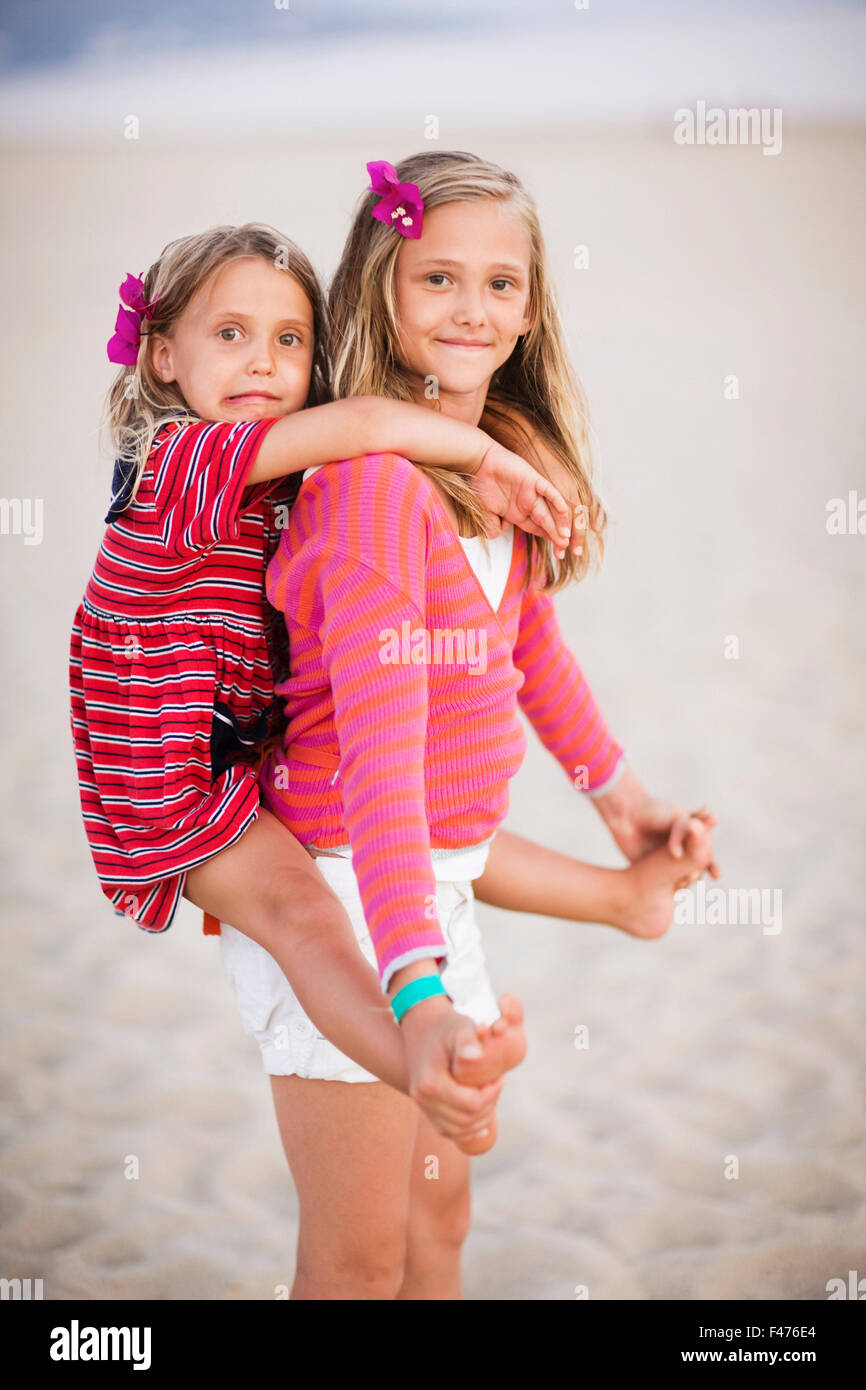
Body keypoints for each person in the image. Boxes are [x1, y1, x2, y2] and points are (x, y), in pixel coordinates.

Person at [239, 154, 717, 1299]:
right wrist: (416, 988)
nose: (470, 308)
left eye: (501, 284)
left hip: (433, 879)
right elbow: (380, 779)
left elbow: (530, 650)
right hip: (360, 896)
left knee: (438, 1221)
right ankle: (582, 919)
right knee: (357, 1260)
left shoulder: (495, 460)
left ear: (532, 308)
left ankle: (621, 896)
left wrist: (625, 803)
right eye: (436, 278)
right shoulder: (367, 494)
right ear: (379, 294)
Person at [68, 221, 578, 1157]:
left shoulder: (276, 474)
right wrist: (485, 458)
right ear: (161, 354)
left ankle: (608, 906)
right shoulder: (177, 461)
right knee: (308, 915)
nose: (263, 361)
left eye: (290, 339)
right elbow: (369, 422)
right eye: (231, 334)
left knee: (431, 822)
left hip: (230, 757)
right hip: (168, 785)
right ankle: (417, 1048)